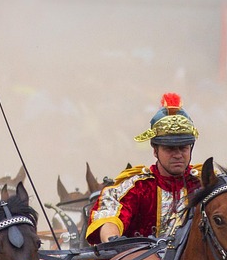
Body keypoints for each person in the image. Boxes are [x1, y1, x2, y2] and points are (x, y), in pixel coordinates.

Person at [87, 92, 203, 249]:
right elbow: (109, 214)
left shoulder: (205, 184)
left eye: (183, 148)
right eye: (169, 149)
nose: (177, 155)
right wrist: (113, 240)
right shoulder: (137, 187)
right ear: (155, 151)